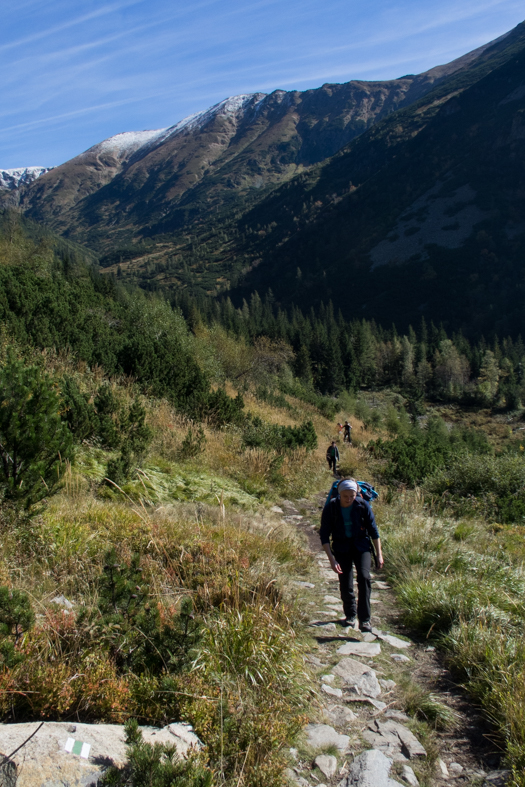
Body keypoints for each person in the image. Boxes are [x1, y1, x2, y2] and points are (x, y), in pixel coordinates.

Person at [319, 478, 383, 632]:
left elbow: (374, 532)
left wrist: (379, 554)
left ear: (357, 494)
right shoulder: (331, 508)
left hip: (361, 546)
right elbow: (324, 536)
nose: (349, 499)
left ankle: (365, 620)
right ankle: (350, 615)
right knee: (346, 582)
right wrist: (332, 560)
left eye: (352, 496)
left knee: (364, 577)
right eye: (345, 496)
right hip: (341, 548)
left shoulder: (362, 505)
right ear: (339, 494)